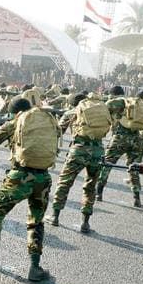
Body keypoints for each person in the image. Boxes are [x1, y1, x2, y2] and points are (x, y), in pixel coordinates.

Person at [0, 97, 59, 281]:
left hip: (19, 177)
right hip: (43, 177)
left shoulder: (15, 122)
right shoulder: (47, 121)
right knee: (36, 221)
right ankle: (35, 268)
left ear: (15, 112)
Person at [50, 91, 107, 233]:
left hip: (79, 150)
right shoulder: (98, 111)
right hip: (98, 151)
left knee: (64, 182)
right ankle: (85, 223)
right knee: (90, 186)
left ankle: (55, 216)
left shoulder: (71, 112)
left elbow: (58, 132)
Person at [94, 85, 143, 207]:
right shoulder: (132, 102)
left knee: (107, 164)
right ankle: (136, 198)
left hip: (120, 138)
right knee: (133, 168)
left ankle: (99, 192)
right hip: (136, 138)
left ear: (113, 94)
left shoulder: (116, 102)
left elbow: (101, 111)